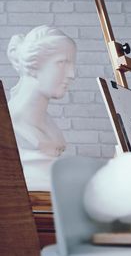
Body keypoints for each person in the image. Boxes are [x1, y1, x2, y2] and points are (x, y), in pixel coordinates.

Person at [7, 25, 76, 191]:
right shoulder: (9, 126)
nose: (72, 74)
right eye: (62, 63)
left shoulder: (50, 128)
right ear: (34, 66)